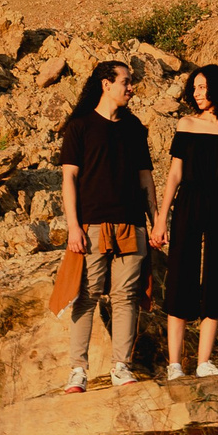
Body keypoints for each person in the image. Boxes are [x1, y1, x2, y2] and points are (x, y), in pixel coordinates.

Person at [56, 59, 156, 391]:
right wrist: (74, 226)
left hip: (131, 224)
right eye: (126, 81)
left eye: (131, 82)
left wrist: (156, 222)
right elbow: (68, 179)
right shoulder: (80, 126)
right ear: (105, 83)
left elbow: (146, 179)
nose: (131, 87)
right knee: (86, 295)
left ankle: (121, 367)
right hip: (92, 225)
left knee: (127, 296)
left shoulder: (135, 128)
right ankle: (78, 371)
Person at [150, 63, 218, 379]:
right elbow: (175, 175)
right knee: (181, 274)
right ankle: (175, 365)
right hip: (189, 202)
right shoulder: (186, 124)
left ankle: (205, 362)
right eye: (194, 87)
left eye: (203, 86)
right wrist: (161, 219)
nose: (197, 92)